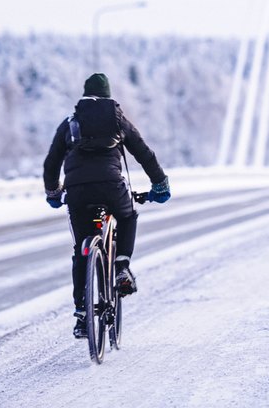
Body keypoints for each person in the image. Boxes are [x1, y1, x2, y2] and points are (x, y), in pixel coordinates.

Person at [43, 73, 171, 339]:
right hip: (112, 187)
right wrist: (160, 185)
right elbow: (143, 153)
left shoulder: (70, 124)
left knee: (81, 250)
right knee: (128, 216)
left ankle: (81, 313)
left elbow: (51, 162)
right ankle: (122, 265)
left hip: (77, 192)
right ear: (108, 96)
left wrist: (54, 192)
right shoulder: (117, 120)